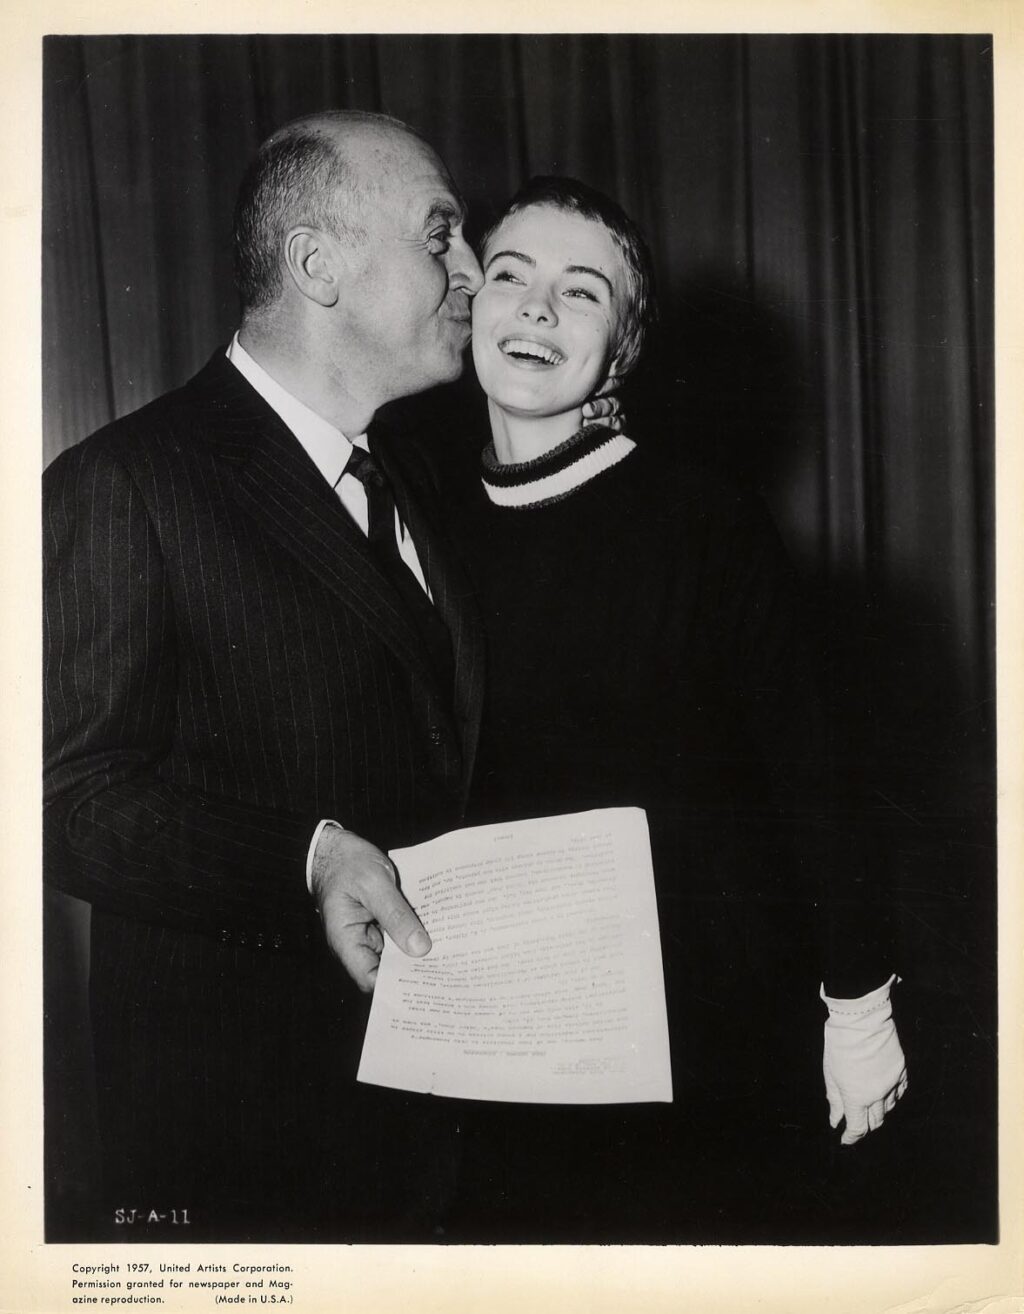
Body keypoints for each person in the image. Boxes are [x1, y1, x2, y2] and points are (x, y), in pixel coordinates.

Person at [43, 112, 626, 1242]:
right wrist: (304, 861)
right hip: (259, 1148)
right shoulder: (127, 485)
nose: (472, 272)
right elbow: (60, 798)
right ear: (317, 265)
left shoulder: (417, 476)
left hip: (448, 1132)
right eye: (441, 234)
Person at [435, 177, 908, 1241]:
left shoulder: (704, 523)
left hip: (695, 1035)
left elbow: (813, 773)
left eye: (582, 292)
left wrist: (857, 1004)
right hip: (492, 1033)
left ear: (624, 347)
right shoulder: (417, 516)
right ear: (468, 304)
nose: (539, 311)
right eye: (510, 277)